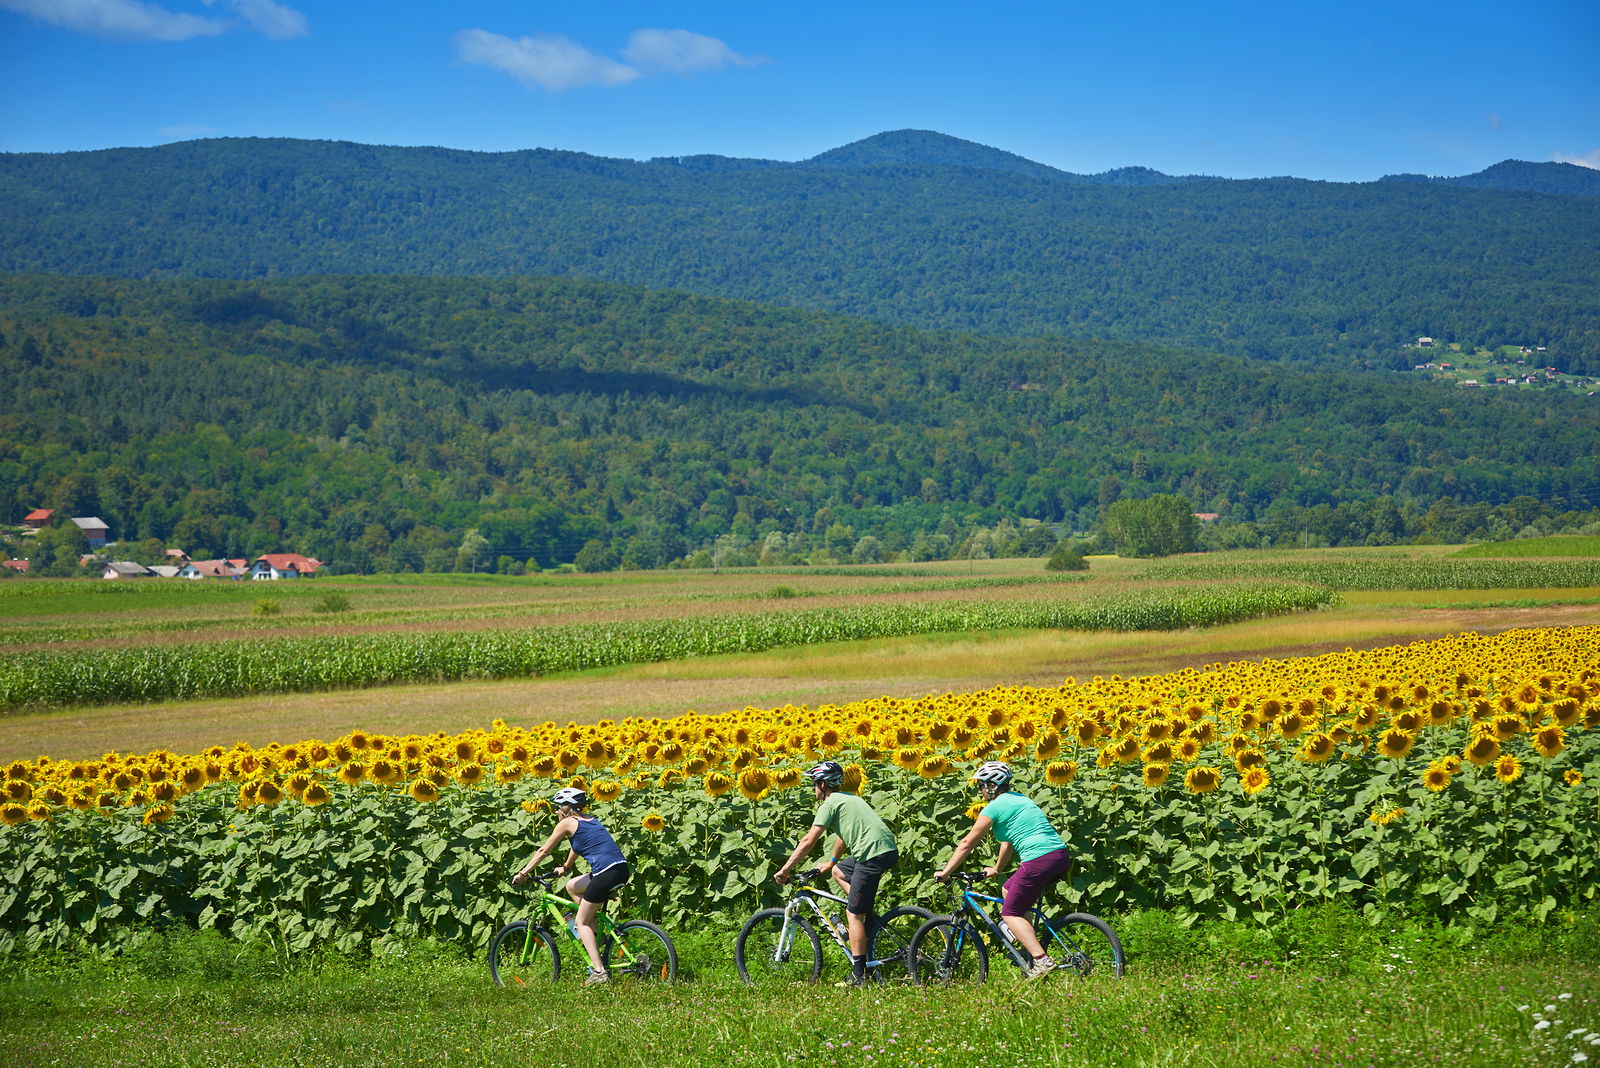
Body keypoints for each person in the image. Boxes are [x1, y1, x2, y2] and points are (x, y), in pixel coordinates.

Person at [933, 760, 1073, 980]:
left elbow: (967, 843)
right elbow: (1007, 842)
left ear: (992, 785)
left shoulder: (995, 807)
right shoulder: (1019, 799)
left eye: (981, 785)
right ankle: (1028, 947)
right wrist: (997, 868)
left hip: (1038, 859)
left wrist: (946, 872)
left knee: (1009, 913)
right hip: (1059, 856)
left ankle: (1041, 960)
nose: (979, 790)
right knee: (1008, 890)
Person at [773, 760, 899, 987]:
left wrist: (785, 870)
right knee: (840, 872)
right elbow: (844, 835)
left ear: (822, 784)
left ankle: (859, 976)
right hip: (886, 850)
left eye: (814, 784)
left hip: (871, 856)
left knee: (853, 916)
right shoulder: (851, 799)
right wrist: (831, 862)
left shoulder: (829, 804)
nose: (814, 789)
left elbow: (808, 840)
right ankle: (863, 909)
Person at [513, 786, 630, 985]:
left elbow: (543, 851)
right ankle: (594, 931)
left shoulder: (567, 822)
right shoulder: (591, 820)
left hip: (604, 874)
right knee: (572, 886)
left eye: (558, 807)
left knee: (580, 922)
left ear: (568, 808)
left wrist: (524, 873)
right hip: (620, 870)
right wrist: (566, 866)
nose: (556, 812)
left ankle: (599, 971)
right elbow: (579, 844)